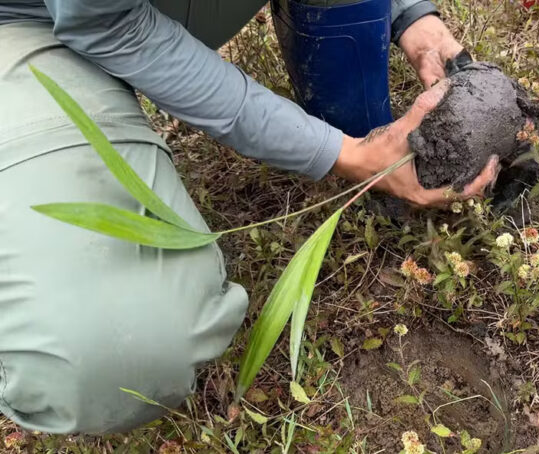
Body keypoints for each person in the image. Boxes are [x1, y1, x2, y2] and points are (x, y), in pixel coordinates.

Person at [0, 0, 497, 435]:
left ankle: (375, 159)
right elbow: (108, 23)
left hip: (139, 12)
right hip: (25, 22)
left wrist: (408, 14)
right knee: (113, 355)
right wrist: (335, 152)